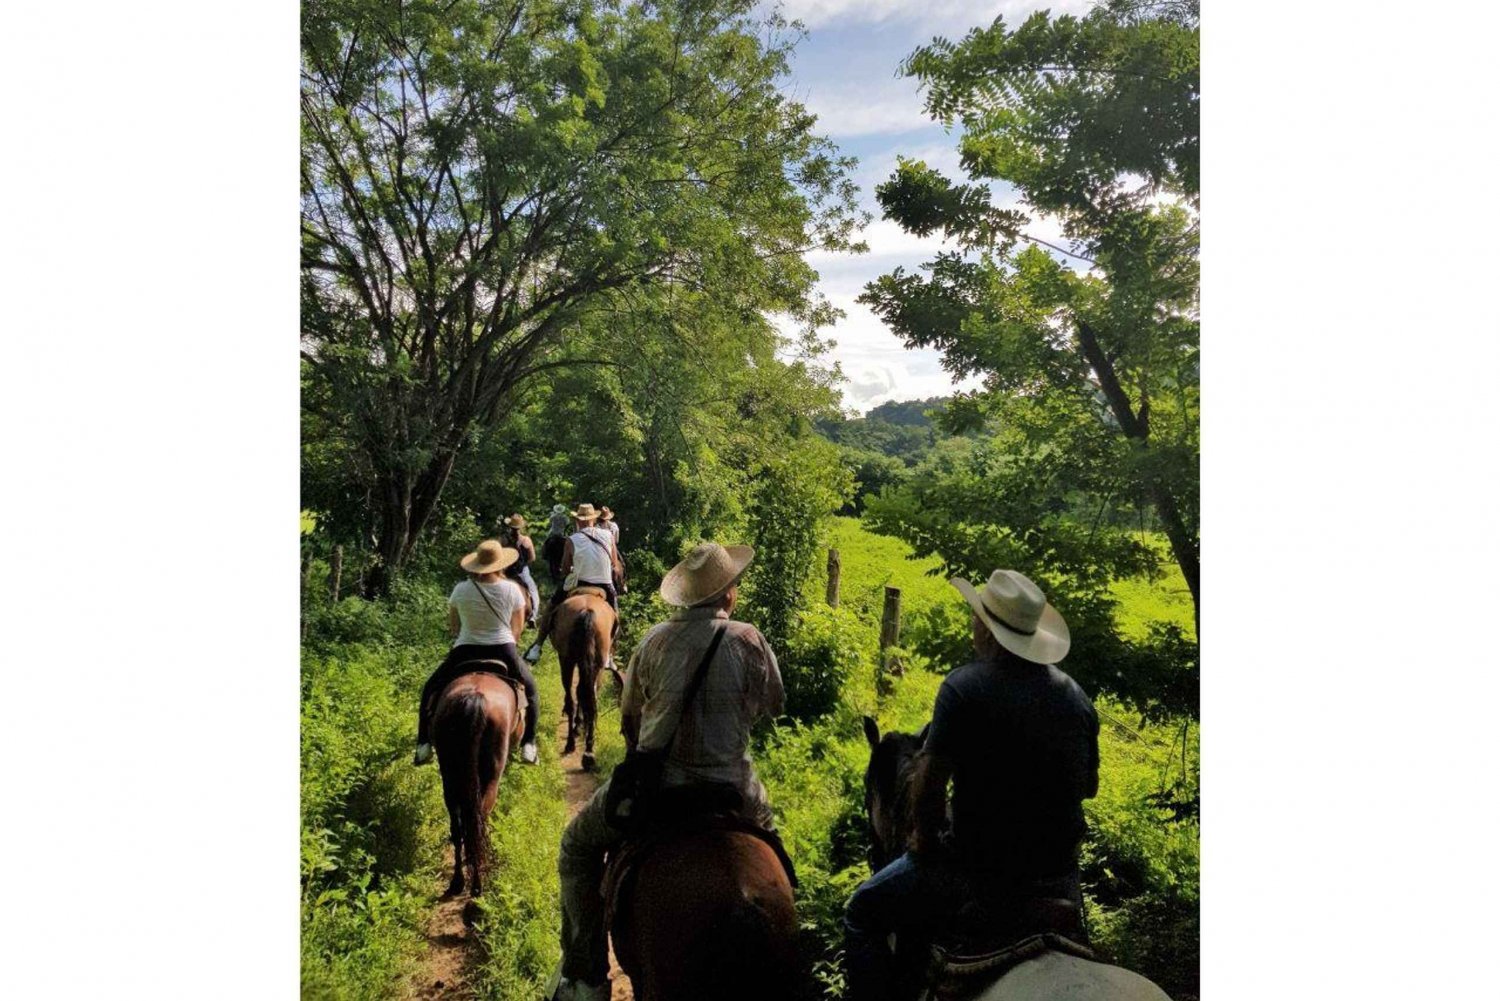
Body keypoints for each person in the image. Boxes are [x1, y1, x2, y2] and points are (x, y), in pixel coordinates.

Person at [842, 569, 1099, 1001]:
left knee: (862, 914)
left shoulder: (963, 688)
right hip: (1058, 879)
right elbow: (1088, 787)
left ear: (987, 630)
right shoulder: (1077, 699)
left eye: (978, 618)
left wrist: (924, 841)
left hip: (975, 875)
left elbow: (929, 786)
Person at [545, 542, 784, 1001]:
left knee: (576, 848)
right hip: (735, 786)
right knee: (777, 856)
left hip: (660, 787)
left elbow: (631, 718)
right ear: (727, 595)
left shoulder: (655, 641)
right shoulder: (749, 638)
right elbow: (771, 705)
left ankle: (587, 976)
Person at [413, 540, 542, 767]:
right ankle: (529, 744)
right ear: (500, 564)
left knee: (430, 687)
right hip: (504, 648)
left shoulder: (461, 589)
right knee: (531, 690)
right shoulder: (512, 588)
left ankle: (423, 743)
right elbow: (518, 628)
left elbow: (454, 627)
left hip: (465, 648)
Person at [525, 503, 622, 665]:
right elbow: (613, 562)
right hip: (604, 584)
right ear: (594, 519)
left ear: (578, 520)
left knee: (551, 606)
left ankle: (537, 645)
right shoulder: (608, 536)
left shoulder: (571, 539)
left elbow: (564, 569)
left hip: (579, 583)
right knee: (616, 615)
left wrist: (572, 568)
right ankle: (610, 653)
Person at [501, 513, 539, 626]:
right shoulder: (526, 540)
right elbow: (532, 558)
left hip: (507, 570)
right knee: (533, 590)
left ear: (510, 526)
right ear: (521, 527)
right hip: (522, 571)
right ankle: (533, 616)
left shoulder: (504, 540)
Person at [543, 502, 570, 585]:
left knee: (546, 542)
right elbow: (567, 524)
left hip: (553, 534)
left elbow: (550, 522)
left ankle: (545, 554)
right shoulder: (565, 517)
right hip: (562, 535)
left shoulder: (553, 516)